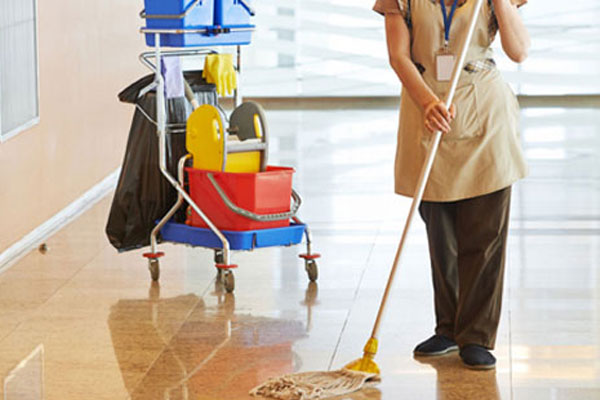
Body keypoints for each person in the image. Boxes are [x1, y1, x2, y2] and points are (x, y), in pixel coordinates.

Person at [372, 0, 530, 370]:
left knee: (484, 235)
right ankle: (448, 328)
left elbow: (519, 50)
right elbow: (398, 56)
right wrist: (428, 102)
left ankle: (475, 335)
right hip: (427, 110)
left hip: (485, 113)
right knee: (441, 233)